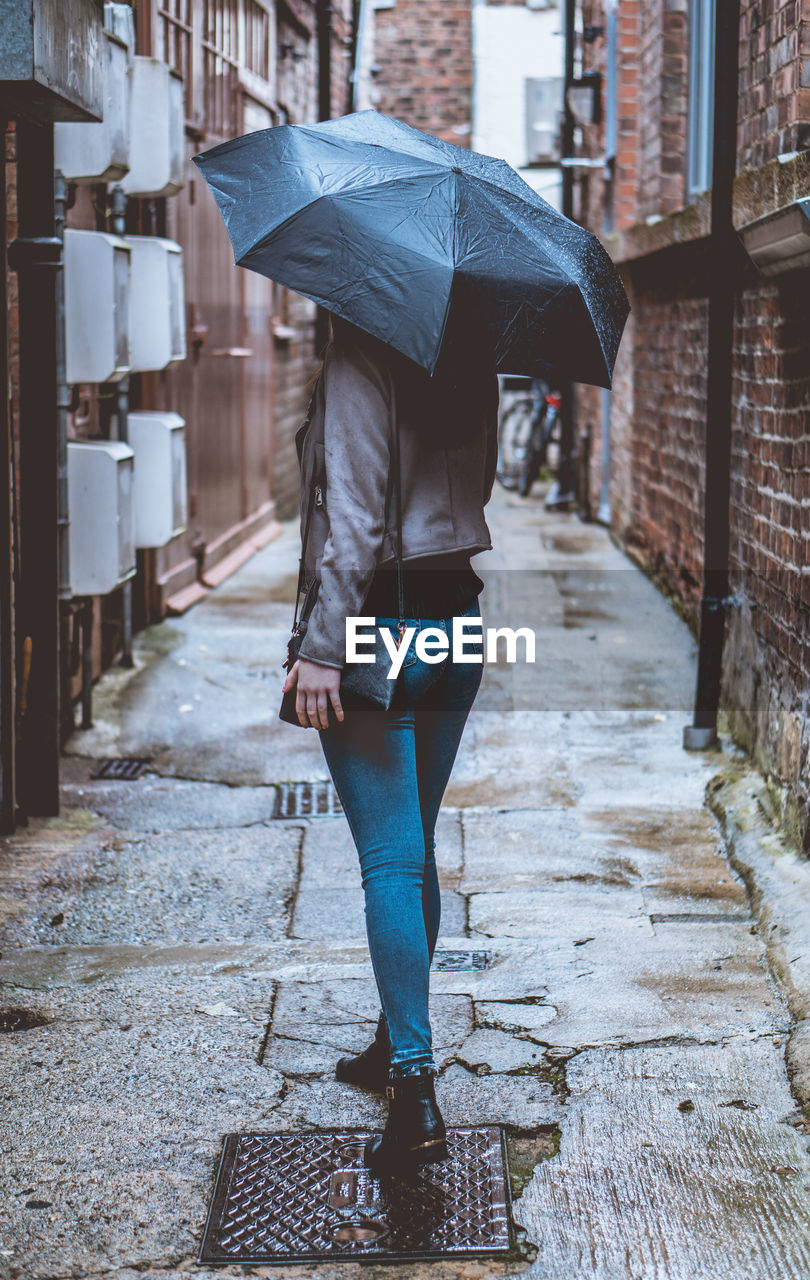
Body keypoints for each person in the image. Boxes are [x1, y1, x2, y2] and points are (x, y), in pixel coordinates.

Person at [282, 314, 499, 1173]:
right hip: (456, 625)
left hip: (380, 626)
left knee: (390, 861)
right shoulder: (469, 348)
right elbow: (473, 485)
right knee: (415, 850)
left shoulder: (361, 351)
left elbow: (359, 522)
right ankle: (389, 1040)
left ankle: (414, 1092)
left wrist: (321, 649)